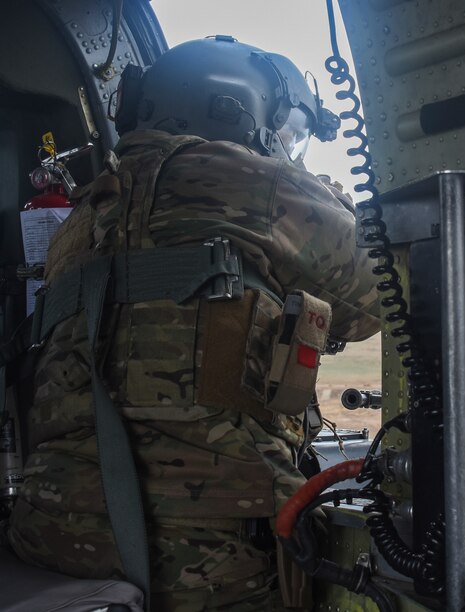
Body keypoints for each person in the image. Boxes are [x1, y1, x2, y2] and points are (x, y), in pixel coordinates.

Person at [5, 36, 380, 610]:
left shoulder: (79, 219)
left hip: (50, 538)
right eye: (289, 135)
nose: (290, 152)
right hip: (208, 560)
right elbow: (377, 300)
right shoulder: (257, 182)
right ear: (242, 110)